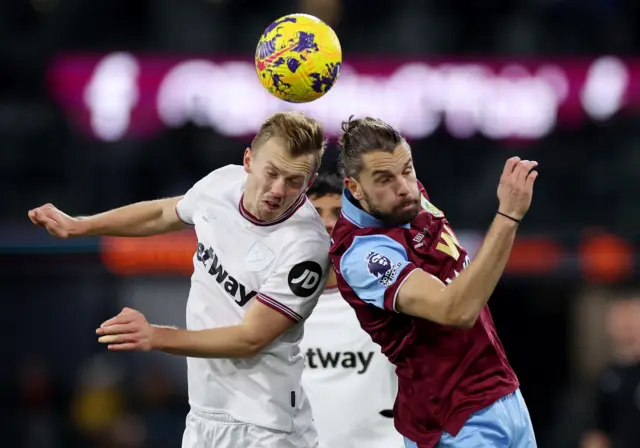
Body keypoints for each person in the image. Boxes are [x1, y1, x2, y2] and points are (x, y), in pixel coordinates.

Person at [27, 111, 332, 448]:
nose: (278, 189)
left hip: (266, 426)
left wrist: (157, 336)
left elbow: (250, 339)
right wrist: (80, 225)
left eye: (294, 181)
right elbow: (161, 213)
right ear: (248, 160)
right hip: (203, 415)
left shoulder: (306, 246)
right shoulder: (221, 184)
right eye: (271, 173)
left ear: (310, 180)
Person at [328, 116, 539, 448]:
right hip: (452, 423)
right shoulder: (363, 253)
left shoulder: (406, 200)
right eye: (384, 179)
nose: (404, 187)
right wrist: (508, 217)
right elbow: (456, 311)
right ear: (354, 187)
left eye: (408, 170)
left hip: (503, 394)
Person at [300, 173, 404, 448]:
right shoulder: (272, 304)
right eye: (316, 212)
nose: (327, 222)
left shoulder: (390, 298)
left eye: (338, 212)